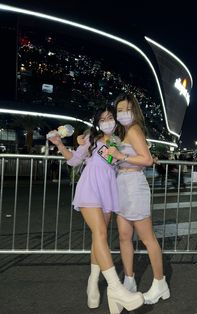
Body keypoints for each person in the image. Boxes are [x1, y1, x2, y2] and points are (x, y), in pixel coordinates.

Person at [47, 105, 144, 314]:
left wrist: (135, 158)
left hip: (108, 190)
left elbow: (120, 162)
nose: (108, 120)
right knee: (100, 233)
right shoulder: (91, 138)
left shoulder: (117, 140)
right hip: (90, 187)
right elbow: (74, 161)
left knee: (99, 238)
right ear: (97, 122)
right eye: (103, 118)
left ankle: (92, 282)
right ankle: (116, 288)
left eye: (110, 117)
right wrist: (60, 144)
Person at [107, 93, 170, 305]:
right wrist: (109, 155)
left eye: (126, 109)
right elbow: (120, 159)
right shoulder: (122, 132)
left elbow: (146, 159)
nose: (122, 113)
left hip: (134, 187)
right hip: (122, 186)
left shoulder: (133, 130)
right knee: (124, 236)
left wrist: (120, 156)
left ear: (134, 111)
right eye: (119, 110)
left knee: (147, 238)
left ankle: (160, 283)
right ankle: (129, 280)